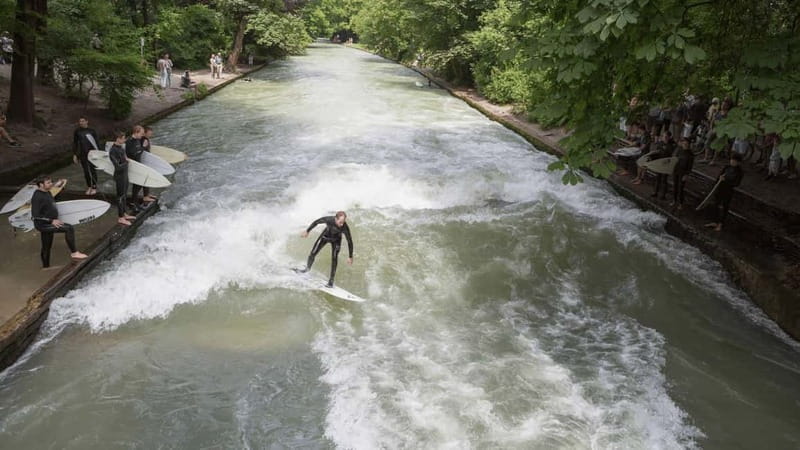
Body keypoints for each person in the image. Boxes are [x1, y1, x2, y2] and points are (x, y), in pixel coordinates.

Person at [31, 175, 88, 268]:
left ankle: (45, 267)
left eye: (51, 182)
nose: (51, 184)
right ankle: (74, 253)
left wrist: (58, 184)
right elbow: (35, 215)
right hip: (43, 225)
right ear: (41, 185)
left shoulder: (46, 191)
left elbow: (51, 193)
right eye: (48, 183)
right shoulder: (37, 197)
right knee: (68, 228)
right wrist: (51, 220)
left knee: (46, 246)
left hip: (48, 223)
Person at [299, 211, 354, 287]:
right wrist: (307, 231)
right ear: (335, 219)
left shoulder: (345, 227)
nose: (342, 224)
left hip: (336, 241)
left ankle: (331, 281)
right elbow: (316, 222)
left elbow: (349, 241)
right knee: (313, 253)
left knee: (334, 259)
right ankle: (307, 269)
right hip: (325, 237)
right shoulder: (329, 220)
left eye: (343, 222)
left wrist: (350, 256)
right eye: (340, 222)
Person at [704, 153, 744, 232]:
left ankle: (720, 224)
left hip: (728, 191)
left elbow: (736, 183)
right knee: (716, 204)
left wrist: (726, 181)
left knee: (724, 207)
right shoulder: (727, 167)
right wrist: (716, 184)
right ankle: (714, 221)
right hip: (720, 188)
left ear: (738, 162)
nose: (732, 162)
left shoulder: (739, 172)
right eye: (732, 160)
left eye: (734, 161)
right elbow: (719, 176)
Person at [110, 131, 136, 226]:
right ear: (118, 138)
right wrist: (127, 162)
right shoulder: (113, 150)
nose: (125, 140)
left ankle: (124, 213)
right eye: (123, 138)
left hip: (125, 175)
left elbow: (123, 158)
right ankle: (120, 218)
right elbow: (118, 166)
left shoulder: (121, 147)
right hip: (119, 176)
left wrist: (125, 160)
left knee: (124, 195)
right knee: (120, 197)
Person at [72, 116, 99, 195]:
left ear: (87, 121)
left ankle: (94, 187)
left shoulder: (92, 131)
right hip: (82, 154)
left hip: (92, 154)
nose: (81, 123)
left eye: (83, 121)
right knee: (86, 171)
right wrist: (75, 155)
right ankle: (89, 186)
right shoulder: (77, 131)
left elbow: (96, 143)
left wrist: (98, 153)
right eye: (80, 121)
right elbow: (75, 143)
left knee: (92, 171)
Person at [125, 125, 149, 211]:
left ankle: (134, 202)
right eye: (141, 133)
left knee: (139, 184)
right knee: (137, 184)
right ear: (136, 132)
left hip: (138, 164)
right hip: (132, 165)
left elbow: (139, 151)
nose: (142, 135)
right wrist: (143, 147)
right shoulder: (129, 141)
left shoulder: (138, 140)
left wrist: (144, 147)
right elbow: (133, 153)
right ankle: (133, 203)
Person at [671, 137, 694, 209]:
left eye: (686, 144)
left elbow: (690, 166)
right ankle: (674, 200)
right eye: (684, 143)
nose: (684, 145)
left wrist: (686, 175)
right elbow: (674, 158)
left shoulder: (690, 154)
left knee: (681, 188)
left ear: (689, 144)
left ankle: (680, 203)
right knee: (675, 186)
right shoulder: (679, 150)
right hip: (676, 170)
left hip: (683, 173)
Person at [651, 131, 675, 200]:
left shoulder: (672, 146)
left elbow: (672, 157)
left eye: (665, 137)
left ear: (669, 137)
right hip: (659, 163)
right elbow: (656, 152)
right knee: (657, 178)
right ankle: (655, 192)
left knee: (664, 180)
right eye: (663, 136)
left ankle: (663, 195)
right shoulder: (660, 143)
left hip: (666, 165)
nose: (664, 138)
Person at [139, 126, 158, 202]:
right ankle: (145, 196)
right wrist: (143, 146)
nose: (150, 135)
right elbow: (140, 151)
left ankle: (147, 194)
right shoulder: (142, 140)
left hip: (147, 161)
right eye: (149, 134)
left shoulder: (145, 139)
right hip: (143, 162)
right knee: (145, 179)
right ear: (145, 133)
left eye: (151, 134)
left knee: (148, 178)